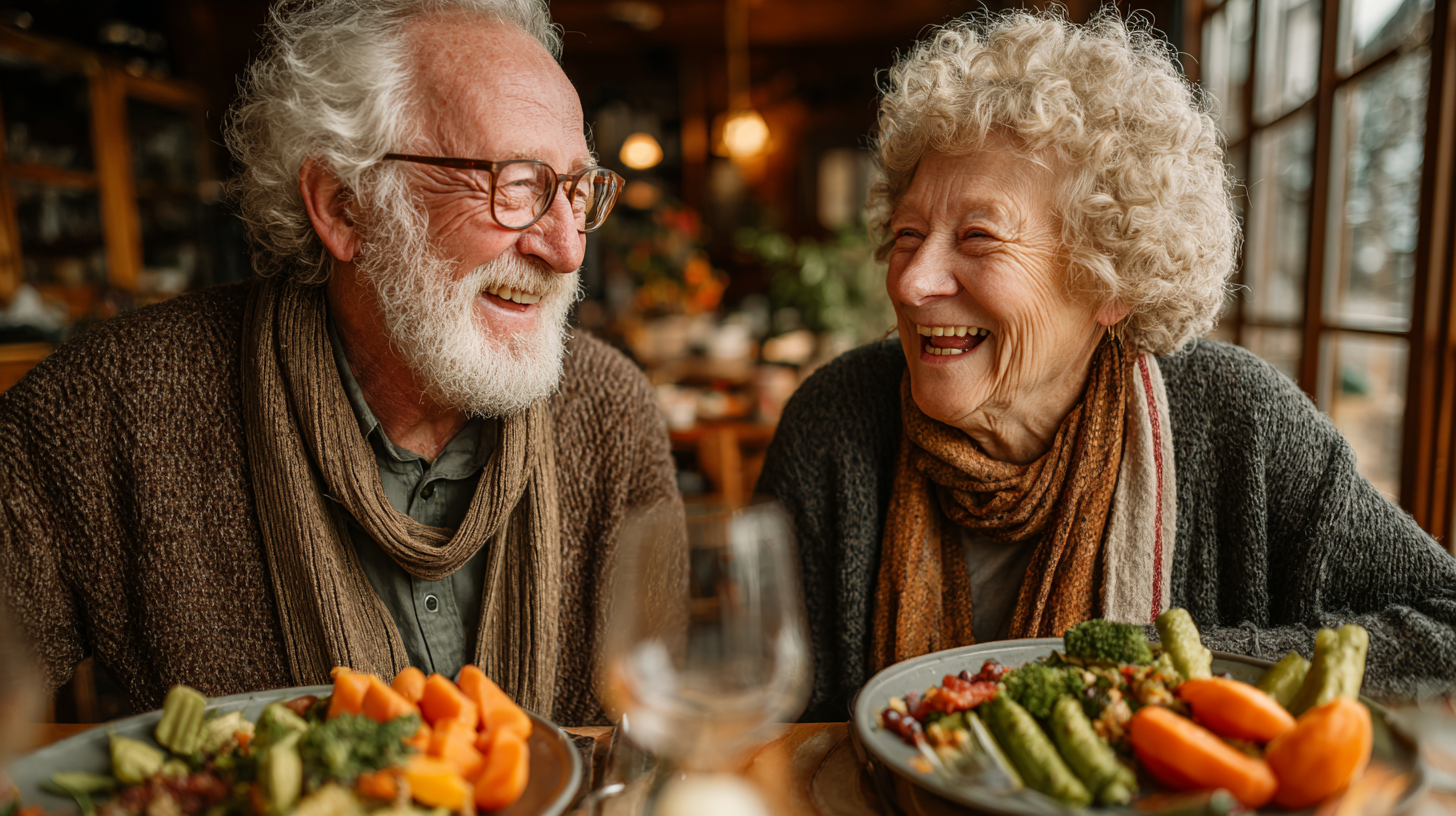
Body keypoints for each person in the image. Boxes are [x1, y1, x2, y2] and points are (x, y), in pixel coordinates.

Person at [759, 9, 1456, 722]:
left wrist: (1165, 675)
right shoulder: (834, 423)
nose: (912, 282)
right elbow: (752, 704)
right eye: (909, 234)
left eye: (978, 237)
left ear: (1111, 281)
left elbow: (1447, 632)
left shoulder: (1237, 421)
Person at [0, 0, 678, 726]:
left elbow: (675, 713)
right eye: (516, 185)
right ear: (343, 207)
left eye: (577, 191)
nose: (567, 250)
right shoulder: (103, 412)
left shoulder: (611, 408)